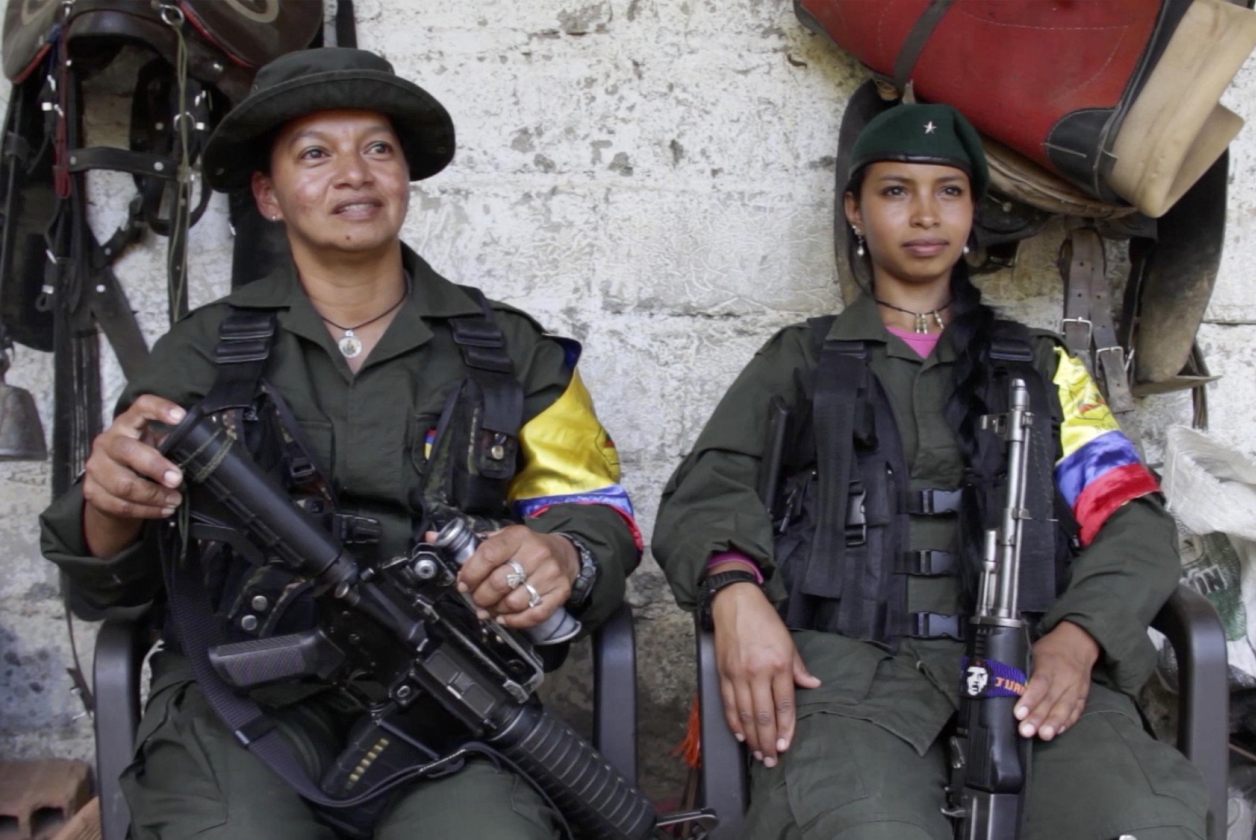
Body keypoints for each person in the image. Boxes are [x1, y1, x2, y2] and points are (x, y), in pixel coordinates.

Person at [40, 48, 640, 840]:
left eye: (377, 148)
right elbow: (107, 588)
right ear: (269, 194)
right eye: (315, 153)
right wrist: (111, 504)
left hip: (449, 708)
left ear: (404, 177)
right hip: (241, 705)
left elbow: (596, 510)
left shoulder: (511, 354)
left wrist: (562, 554)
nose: (354, 174)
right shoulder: (201, 357)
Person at [653, 102, 1209, 840]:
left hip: (1031, 669)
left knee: (1143, 819)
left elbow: (1131, 520)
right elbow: (709, 489)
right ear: (855, 210)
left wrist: (1080, 637)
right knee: (861, 827)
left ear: (973, 211)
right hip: (846, 679)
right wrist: (734, 593)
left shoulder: (1040, 368)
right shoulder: (804, 360)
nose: (925, 214)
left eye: (949, 191)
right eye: (895, 191)